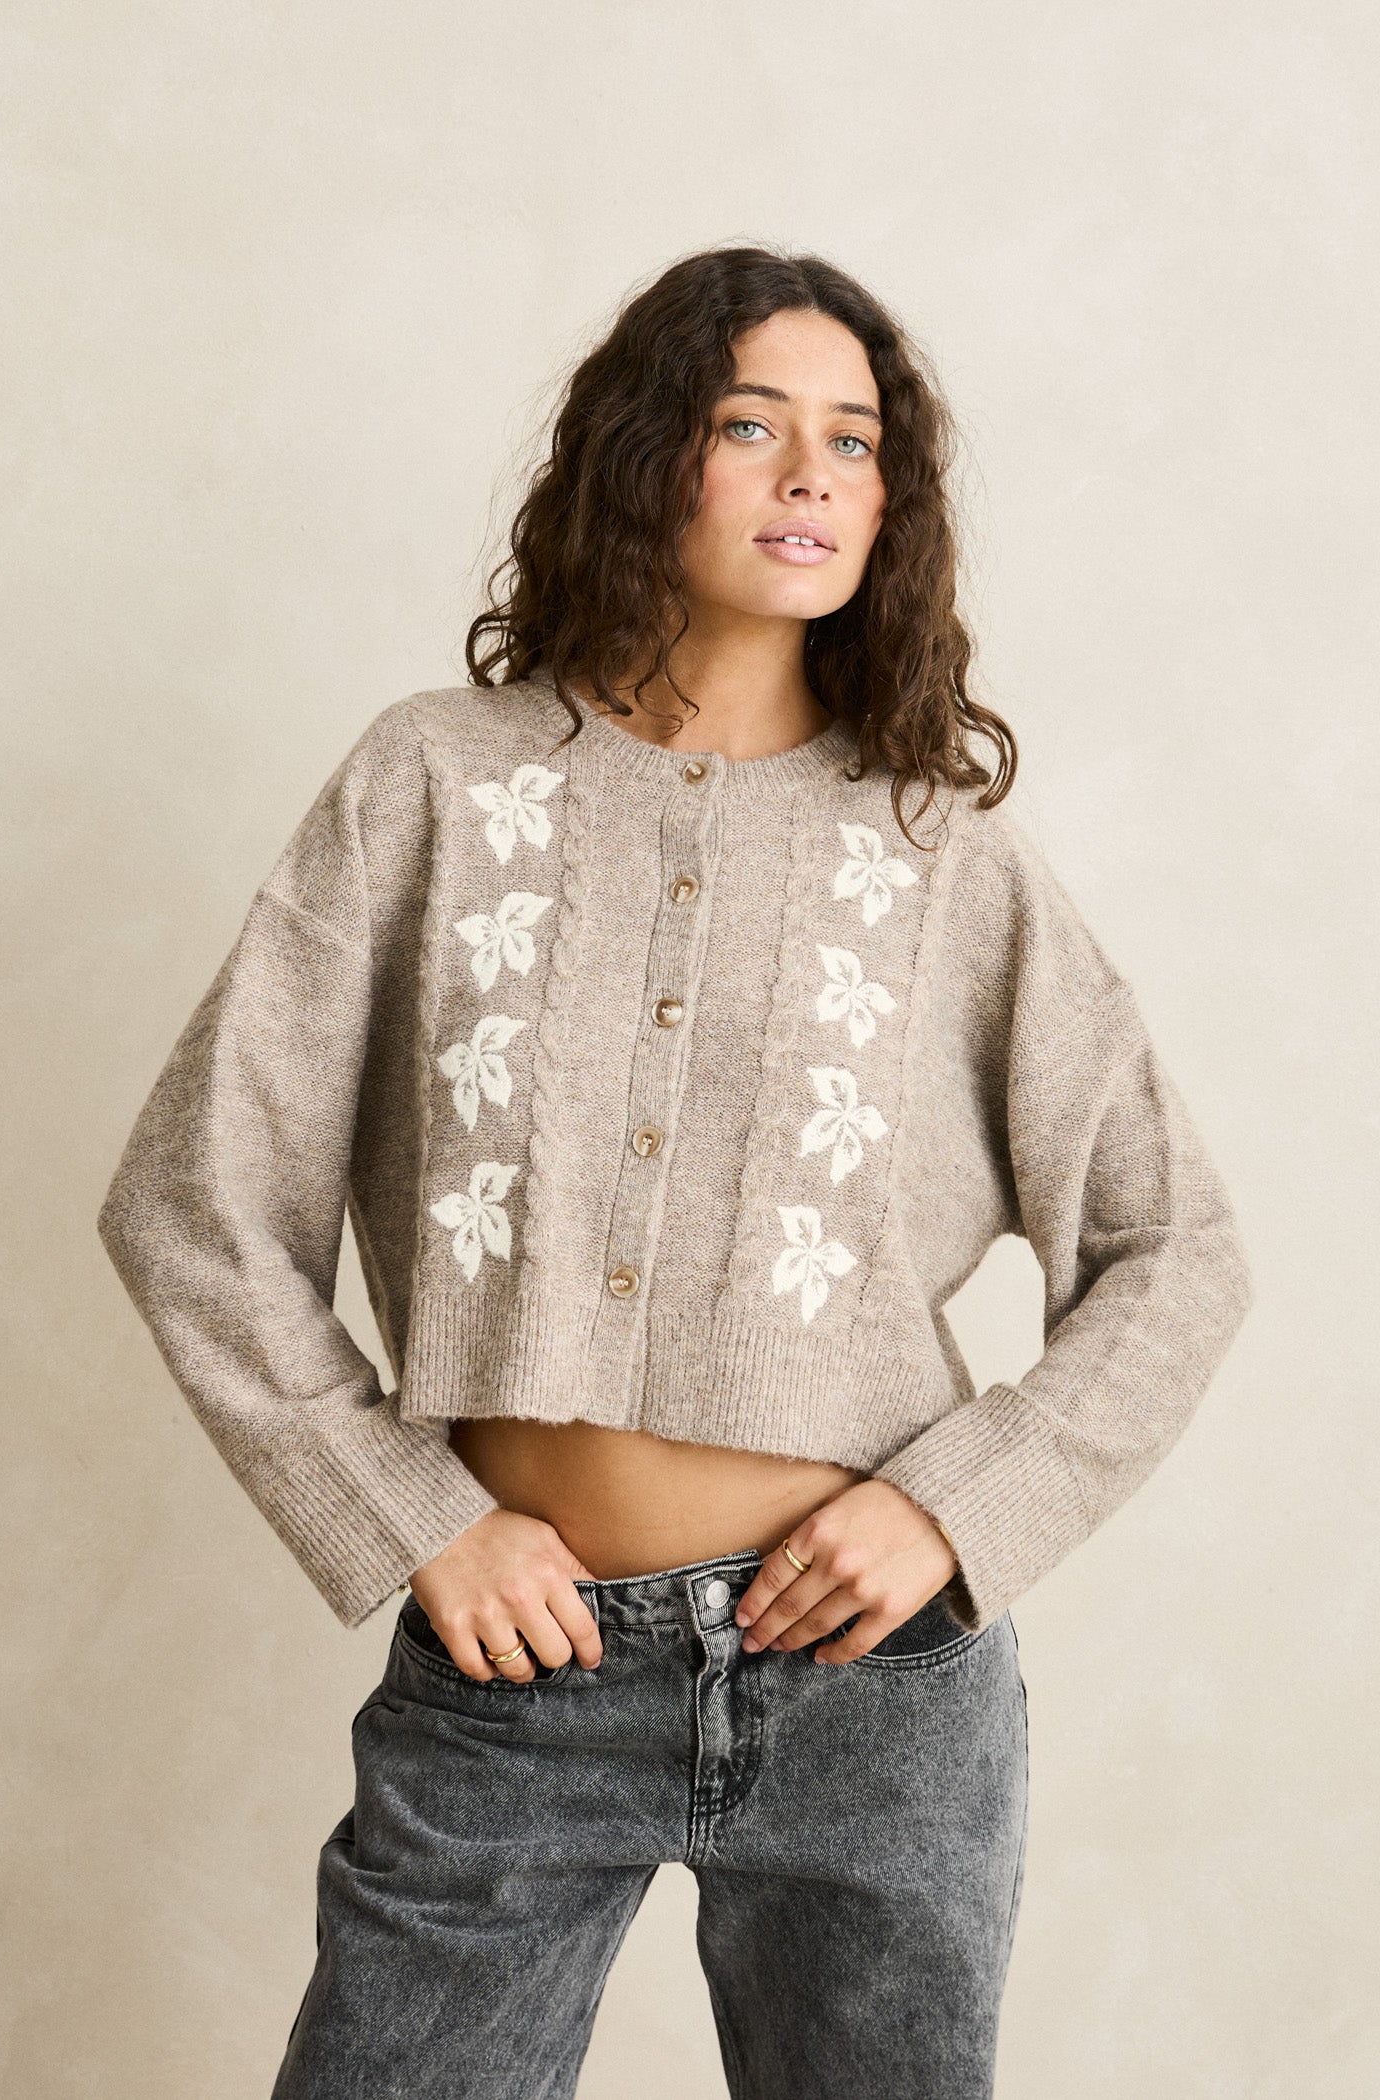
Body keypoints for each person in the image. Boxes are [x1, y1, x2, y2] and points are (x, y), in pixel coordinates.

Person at [97, 245, 1253, 2099]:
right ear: (649, 458)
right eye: (751, 424)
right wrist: (411, 1518)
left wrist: (957, 1510)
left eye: (854, 440)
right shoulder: (434, 785)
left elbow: (1173, 1246)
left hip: (876, 1692)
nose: (813, 475)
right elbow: (192, 1202)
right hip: (516, 1678)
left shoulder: (939, 851)